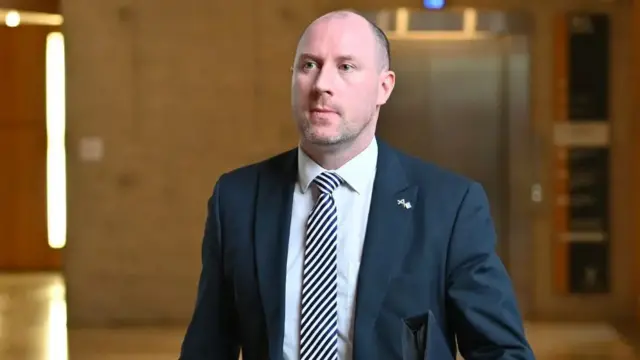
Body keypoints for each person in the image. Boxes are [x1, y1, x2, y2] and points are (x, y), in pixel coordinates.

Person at [179, 9, 534, 360]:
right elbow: (207, 347)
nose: (321, 84)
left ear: (384, 87)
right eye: (309, 65)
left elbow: (502, 351)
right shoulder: (237, 199)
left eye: (345, 67)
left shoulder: (450, 206)